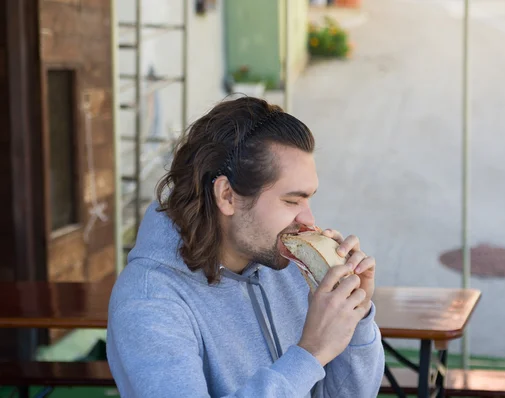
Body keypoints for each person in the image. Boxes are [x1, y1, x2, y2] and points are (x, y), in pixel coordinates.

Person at [106, 97, 385, 397]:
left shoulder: (287, 265)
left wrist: (354, 313)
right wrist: (310, 354)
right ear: (227, 195)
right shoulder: (149, 299)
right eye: (292, 200)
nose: (309, 220)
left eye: (309, 198)